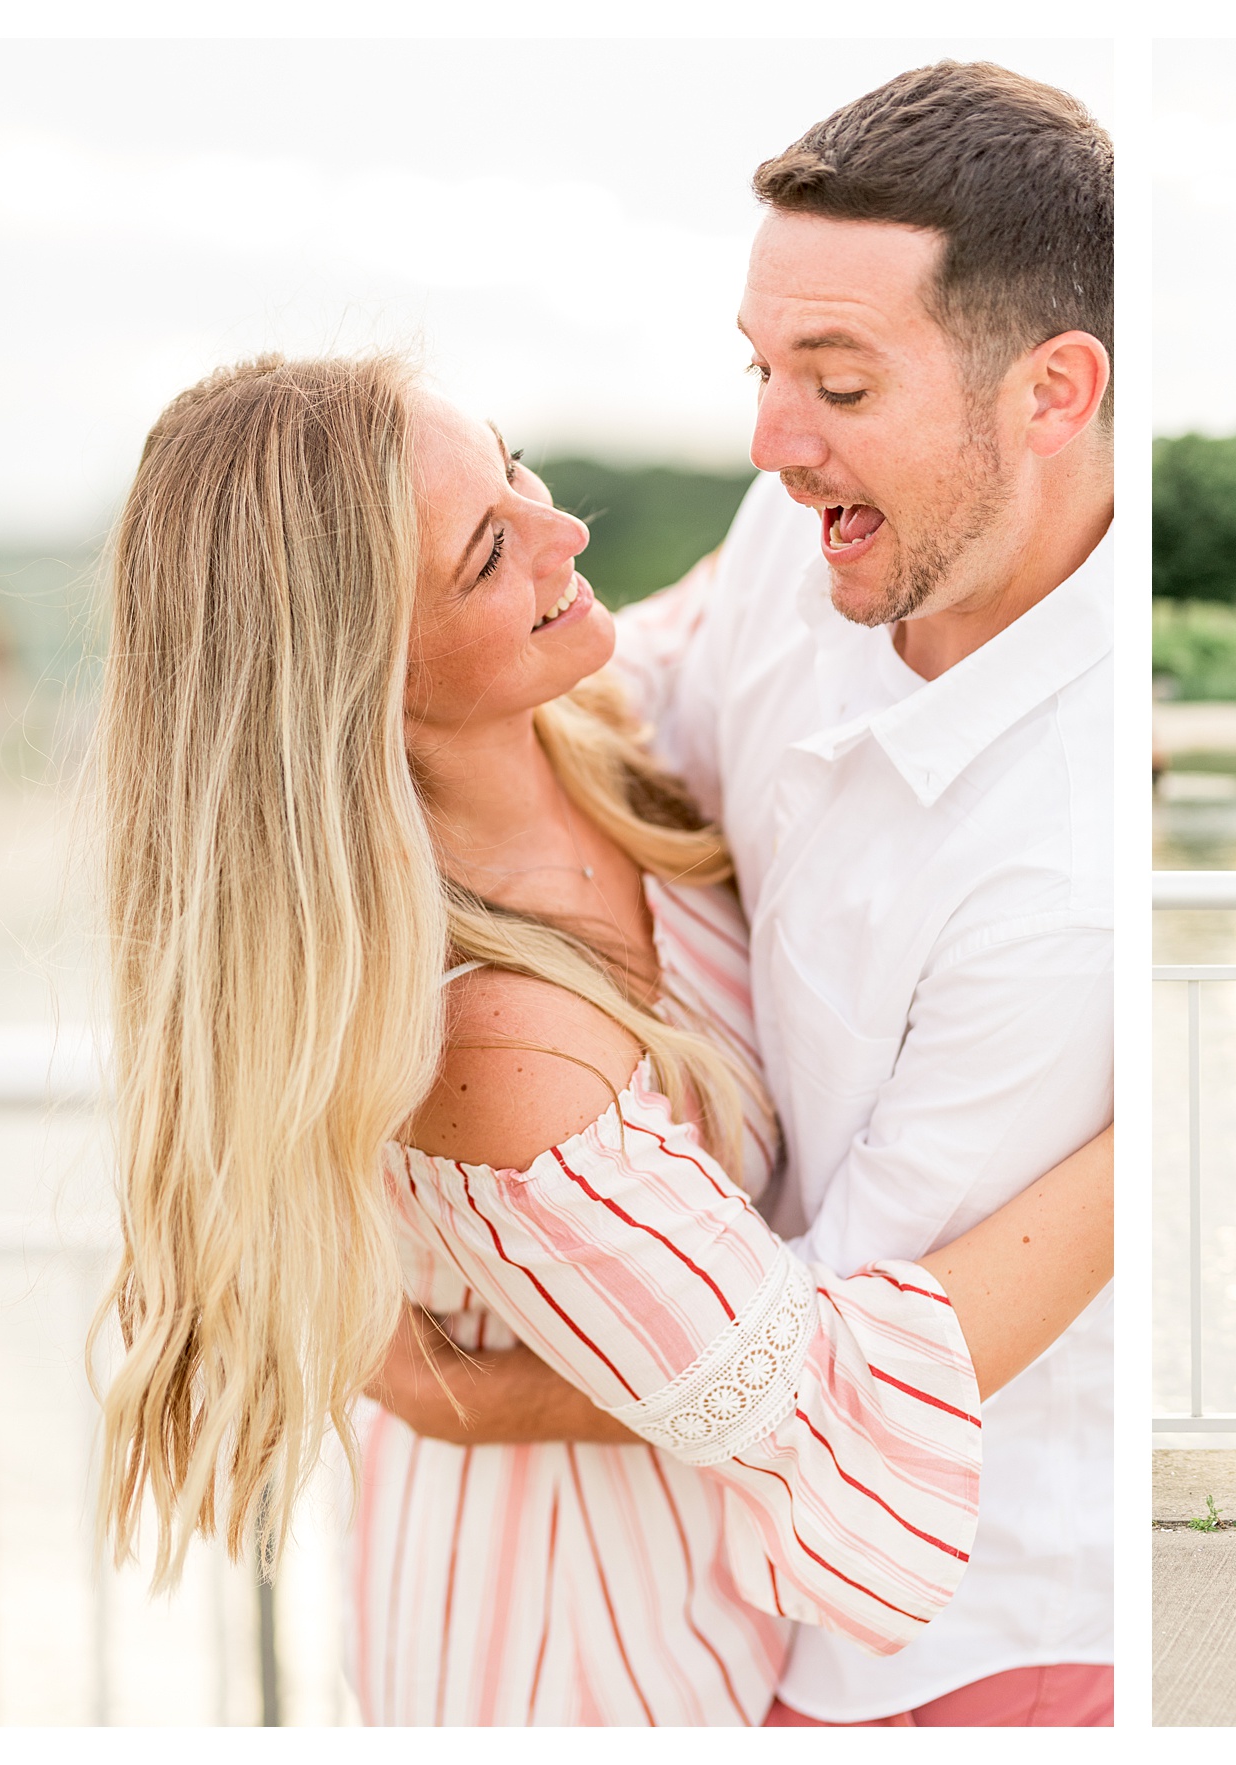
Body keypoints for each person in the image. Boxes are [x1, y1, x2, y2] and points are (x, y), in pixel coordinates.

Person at [89, 351, 1115, 1726]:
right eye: (487, 553)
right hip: (579, 1668)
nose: (563, 534)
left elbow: (749, 597)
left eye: (512, 463)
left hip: (701, 1615)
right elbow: (818, 1401)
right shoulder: (499, 1047)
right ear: (361, 679)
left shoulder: (600, 724)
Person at [371, 62, 1117, 1724]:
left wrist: (482, 1394)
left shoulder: (1063, 883)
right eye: (762, 367)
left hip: (963, 1632)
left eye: (833, 382)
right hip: (654, 1620)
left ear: (1052, 395)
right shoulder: (822, 530)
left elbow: (835, 1355)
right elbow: (647, 698)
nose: (769, 442)